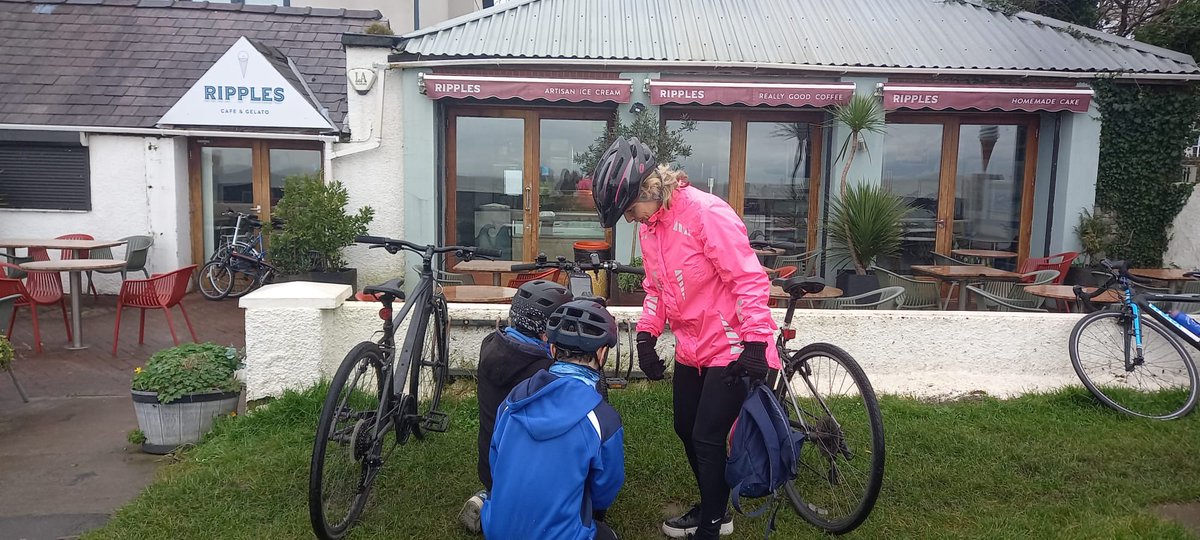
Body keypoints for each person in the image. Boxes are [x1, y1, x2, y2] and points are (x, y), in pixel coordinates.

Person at [591, 136, 781, 540]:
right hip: (691, 346)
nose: (631, 219)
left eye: (630, 209)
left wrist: (754, 342)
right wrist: (646, 335)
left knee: (708, 436)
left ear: (649, 189)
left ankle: (713, 521)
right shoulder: (651, 228)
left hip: (731, 342)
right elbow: (657, 289)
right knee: (684, 427)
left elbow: (748, 279)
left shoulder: (705, 213)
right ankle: (716, 502)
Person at [482, 299, 626, 540]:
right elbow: (604, 492)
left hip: (496, 529)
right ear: (601, 353)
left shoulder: (513, 401)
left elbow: (496, 463)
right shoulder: (604, 420)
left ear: (551, 349)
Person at [458, 279, 574, 533]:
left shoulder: (490, 344)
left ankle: (491, 497)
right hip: (529, 479)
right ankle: (507, 509)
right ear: (547, 333)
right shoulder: (546, 373)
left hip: (490, 467)